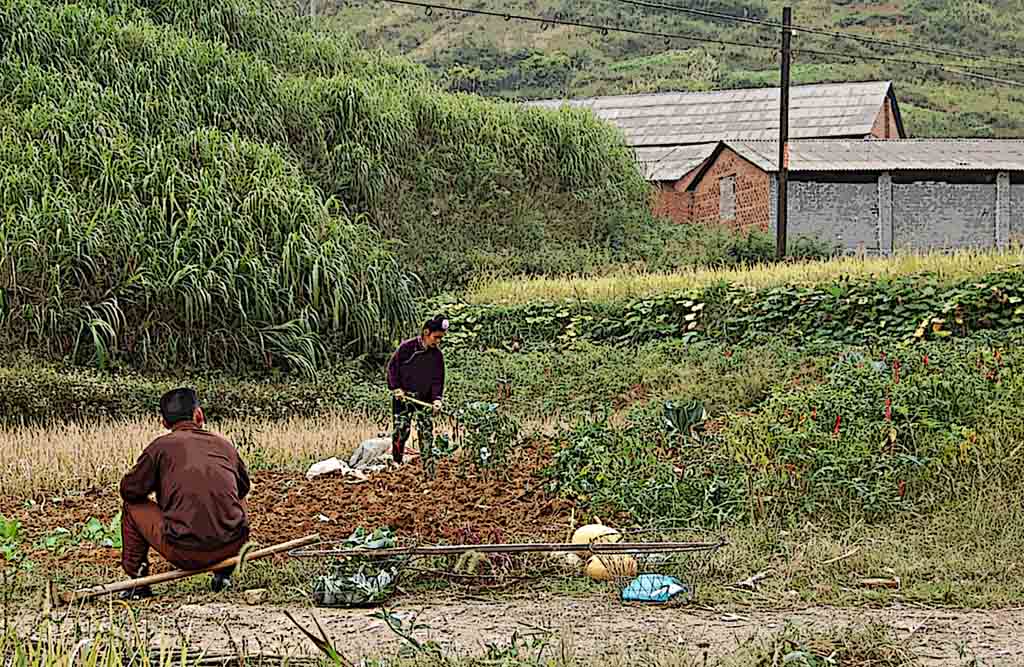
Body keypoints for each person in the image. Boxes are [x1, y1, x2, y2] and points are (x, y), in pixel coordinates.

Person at [118, 388, 251, 599]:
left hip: (186, 552)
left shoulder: (159, 448)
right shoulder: (224, 445)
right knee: (239, 495)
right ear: (198, 414)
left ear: (164, 422)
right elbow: (244, 488)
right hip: (231, 546)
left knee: (131, 507)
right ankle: (224, 573)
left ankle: (138, 582)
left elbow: (129, 491)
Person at [386, 315, 448, 464]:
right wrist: (396, 388)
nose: (438, 341)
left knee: (426, 432)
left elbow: (437, 380)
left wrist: (437, 399)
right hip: (404, 398)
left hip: (424, 400)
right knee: (401, 430)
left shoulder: (437, 356)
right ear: (426, 333)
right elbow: (392, 369)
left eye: (441, 338)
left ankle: (427, 463)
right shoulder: (407, 348)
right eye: (436, 337)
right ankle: (397, 462)